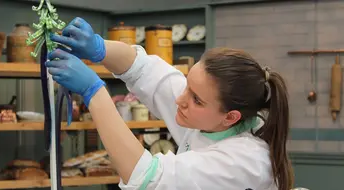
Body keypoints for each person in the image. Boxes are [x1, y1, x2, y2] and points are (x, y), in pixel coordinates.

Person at [45, 17, 294, 190]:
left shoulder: (243, 162)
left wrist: (94, 92)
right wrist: (99, 47)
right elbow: (143, 70)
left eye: (195, 99)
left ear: (231, 117)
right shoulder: (210, 117)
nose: (179, 100)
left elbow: (146, 178)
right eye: (187, 86)